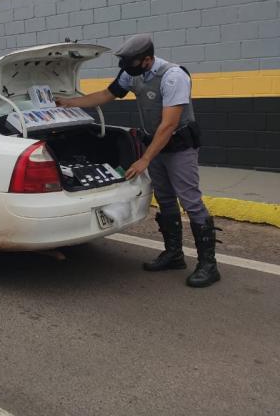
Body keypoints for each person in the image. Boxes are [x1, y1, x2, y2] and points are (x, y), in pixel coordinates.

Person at [57, 34, 220, 288]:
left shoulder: (173, 76)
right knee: (165, 199)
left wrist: (144, 159)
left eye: (131, 62)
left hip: (178, 148)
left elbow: (169, 125)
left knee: (190, 200)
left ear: (147, 59)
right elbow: (105, 94)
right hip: (155, 147)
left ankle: (209, 265)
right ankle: (174, 255)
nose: (126, 69)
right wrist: (69, 103)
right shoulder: (131, 73)